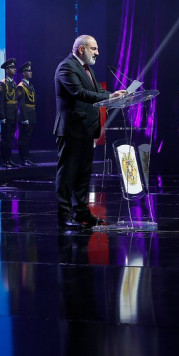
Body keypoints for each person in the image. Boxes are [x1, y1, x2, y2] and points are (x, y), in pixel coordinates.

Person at [54, 35, 125, 228]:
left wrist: (113, 95)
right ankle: (64, 215)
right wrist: (109, 97)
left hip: (86, 129)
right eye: (94, 48)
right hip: (71, 129)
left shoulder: (87, 69)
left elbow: (97, 92)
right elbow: (79, 93)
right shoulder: (66, 67)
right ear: (81, 49)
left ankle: (81, 213)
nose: (97, 53)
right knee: (68, 173)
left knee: (84, 173)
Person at [0, 58, 19, 168]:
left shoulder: (13, 83)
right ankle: (4, 160)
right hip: (6, 115)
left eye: (14, 67)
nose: (14, 69)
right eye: (12, 67)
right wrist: (2, 116)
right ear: (6, 70)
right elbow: (1, 102)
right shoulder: (3, 84)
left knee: (10, 139)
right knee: (5, 139)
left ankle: (9, 159)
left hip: (13, 114)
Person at [16, 61, 36, 166]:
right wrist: (24, 118)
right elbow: (21, 103)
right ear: (23, 73)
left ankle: (27, 158)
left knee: (28, 138)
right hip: (25, 115)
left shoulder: (30, 85)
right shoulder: (21, 86)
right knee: (23, 138)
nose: (31, 72)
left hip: (31, 114)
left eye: (30, 70)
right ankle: (23, 159)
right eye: (28, 71)